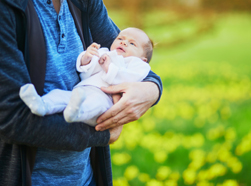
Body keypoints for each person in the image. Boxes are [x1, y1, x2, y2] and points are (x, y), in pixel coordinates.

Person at [0, 0, 162, 186]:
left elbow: (127, 52)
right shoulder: (5, 0)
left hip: (86, 178)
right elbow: (11, 119)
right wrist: (102, 134)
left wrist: (153, 89)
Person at [19, 27, 153, 126]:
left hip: (105, 99)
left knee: (93, 104)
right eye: (120, 39)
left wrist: (109, 68)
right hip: (82, 90)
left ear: (143, 59)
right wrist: (87, 58)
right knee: (60, 95)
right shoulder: (105, 52)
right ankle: (41, 105)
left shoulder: (138, 65)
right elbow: (85, 73)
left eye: (132, 43)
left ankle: (76, 114)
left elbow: (128, 80)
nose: (124, 43)